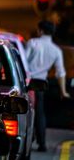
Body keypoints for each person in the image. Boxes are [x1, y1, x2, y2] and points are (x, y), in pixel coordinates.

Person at [25, 20, 71, 152]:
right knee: (40, 112)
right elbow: (60, 73)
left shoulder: (32, 43)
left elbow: (23, 63)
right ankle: (42, 143)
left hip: (28, 83)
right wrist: (63, 91)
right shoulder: (56, 50)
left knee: (26, 112)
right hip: (41, 84)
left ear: (40, 30)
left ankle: (28, 137)